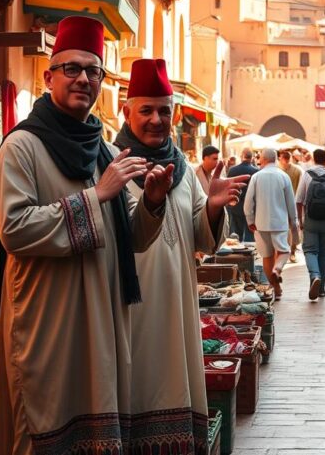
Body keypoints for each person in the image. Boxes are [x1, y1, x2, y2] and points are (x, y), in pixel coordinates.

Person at [0, 16, 174, 454]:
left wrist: (150, 201)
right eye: (72, 68)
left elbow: (131, 237)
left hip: (101, 324)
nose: (84, 79)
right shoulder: (22, 147)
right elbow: (14, 229)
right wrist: (98, 195)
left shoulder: (103, 150)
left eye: (94, 71)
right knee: (43, 431)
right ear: (49, 75)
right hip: (47, 324)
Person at [114, 58, 247, 454]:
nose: (157, 120)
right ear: (126, 111)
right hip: (128, 308)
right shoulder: (110, 162)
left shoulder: (185, 169)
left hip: (178, 307)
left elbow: (200, 238)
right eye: (146, 111)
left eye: (164, 111)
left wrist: (214, 207)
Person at [244, 147, 298, 298]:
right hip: (279, 223)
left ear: (264, 159)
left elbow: (248, 202)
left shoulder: (256, 176)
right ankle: (278, 269)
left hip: (260, 224)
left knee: (267, 257)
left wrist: (250, 219)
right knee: (284, 251)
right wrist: (293, 221)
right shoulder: (283, 176)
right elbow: (291, 202)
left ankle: (277, 289)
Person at [295, 148, 325, 300]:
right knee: (324, 252)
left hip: (311, 219)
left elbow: (298, 200)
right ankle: (321, 288)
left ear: (313, 159)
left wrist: (300, 219)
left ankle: (315, 275)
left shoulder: (307, 175)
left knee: (310, 250)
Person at [227, 148, 259, 242]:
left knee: (236, 234)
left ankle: (238, 253)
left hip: (235, 205)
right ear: (252, 158)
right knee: (250, 234)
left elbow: (229, 188)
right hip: (251, 207)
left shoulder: (232, 170)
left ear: (241, 156)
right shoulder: (256, 171)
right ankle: (249, 254)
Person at [279, 150, 304, 261]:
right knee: (290, 228)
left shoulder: (296, 171)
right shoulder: (296, 170)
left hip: (288, 203)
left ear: (283, 159)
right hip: (289, 203)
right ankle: (287, 251)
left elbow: (300, 188)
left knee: (292, 228)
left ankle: (292, 251)